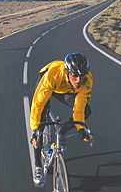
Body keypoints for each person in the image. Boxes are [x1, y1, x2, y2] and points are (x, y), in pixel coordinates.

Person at [30, 52, 93, 184]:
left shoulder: (87, 80)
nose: (78, 80)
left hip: (66, 90)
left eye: (82, 76)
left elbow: (79, 109)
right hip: (50, 83)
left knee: (86, 110)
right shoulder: (53, 75)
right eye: (75, 76)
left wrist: (80, 129)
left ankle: (61, 132)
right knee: (39, 126)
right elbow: (38, 104)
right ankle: (37, 166)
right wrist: (35, 129)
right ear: (66, 72)